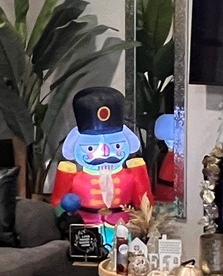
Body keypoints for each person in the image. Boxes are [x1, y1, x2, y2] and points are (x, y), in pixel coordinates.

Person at [51, 86, 154, 225]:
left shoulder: (131, 174)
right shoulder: (73, 176)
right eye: (90, 147)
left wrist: (139, 171)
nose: (105, 152)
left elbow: (145, 202)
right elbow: (58, 203)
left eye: (117, 146)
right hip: (85, 226)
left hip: (122, 226)